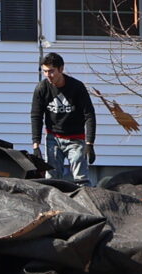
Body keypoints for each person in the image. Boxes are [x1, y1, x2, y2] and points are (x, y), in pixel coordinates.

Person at [30, 52, 96, 184]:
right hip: (53, 138)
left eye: (51, 71)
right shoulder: (42, 88)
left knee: (80, 179)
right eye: (45, 71)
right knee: (52, 179)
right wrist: (36, 145)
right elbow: (36, 116)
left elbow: (89, 114)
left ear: (61, 69)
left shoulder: (76, 87)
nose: (48, 75)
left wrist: (89, 143)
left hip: (75, 139)